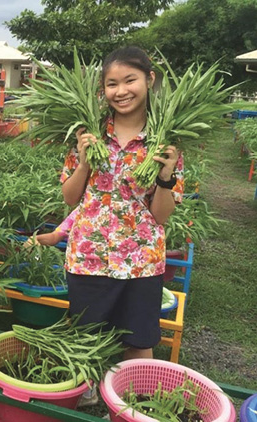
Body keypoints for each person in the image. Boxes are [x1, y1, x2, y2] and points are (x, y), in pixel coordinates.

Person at [60, 46, 184, 365]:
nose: (121, 91)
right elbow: (70, 197)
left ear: (149, 79)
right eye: (112, 84)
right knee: (85, 337)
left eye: (130, 80)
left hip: (141, 258)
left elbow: (160, 215)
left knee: (139, 341)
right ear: (103, 89)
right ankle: (84, 395)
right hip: (90, 255)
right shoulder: (89, 131)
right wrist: (84, 161)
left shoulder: (165, 139)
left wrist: (167, 176)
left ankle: (132, 402)